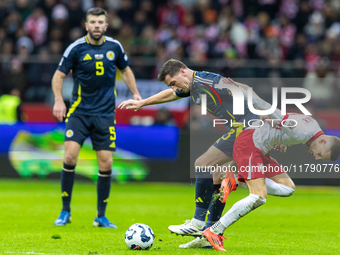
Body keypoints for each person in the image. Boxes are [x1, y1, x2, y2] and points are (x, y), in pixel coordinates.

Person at [119, 59, 290, 248]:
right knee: (217, 174)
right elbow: (172, 94)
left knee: (203, 164)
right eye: (171, 85)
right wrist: (143, 102)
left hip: (246, 129)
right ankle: (209, 235)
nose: (174, 87)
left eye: (174, 82)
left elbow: (245, 89)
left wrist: (277, 120)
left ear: (183, 72)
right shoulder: (192, 86)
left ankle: (198, 222)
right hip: (243, 129)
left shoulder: (208, 81)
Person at [203, 78, 340, 251]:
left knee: (288, 188)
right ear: (322, 142)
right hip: (250, 144)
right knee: (258, 197)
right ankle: (215, 231)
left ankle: (236, 179)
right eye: (321, 155)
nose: (317, 158)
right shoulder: (302, 131)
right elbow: (265, 105)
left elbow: (284, 124)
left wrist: (280, 138)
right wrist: (239, 88)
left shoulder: (311, 128)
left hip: (261, 148)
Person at [52, 7, 141, 228]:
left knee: (106, 162)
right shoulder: (76, 48)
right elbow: (58, 76)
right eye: (93, 22)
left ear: (106, 25)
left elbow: (126, 70)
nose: (97, 26)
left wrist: (136, 94)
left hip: (105, 114)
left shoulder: (115, 47)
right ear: (87, 25)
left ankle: (100, 216)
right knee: (70, 156)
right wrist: (58, 100)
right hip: (79, 113)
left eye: (100, 22)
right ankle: (65, 211)